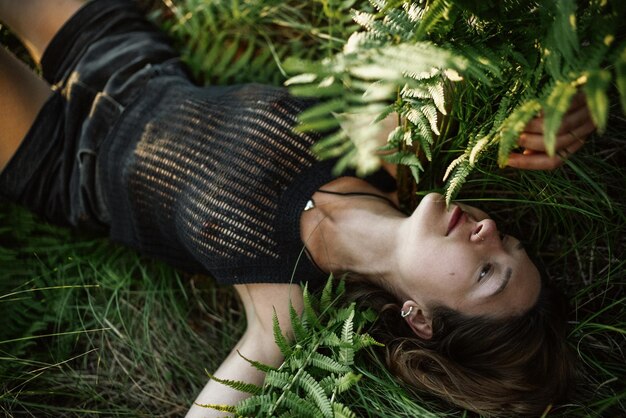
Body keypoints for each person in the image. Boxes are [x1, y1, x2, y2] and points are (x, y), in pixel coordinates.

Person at [0, 0, 596, 416]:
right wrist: (564, 96)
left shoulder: (284, 313)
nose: (490, 232)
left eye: (488, 273)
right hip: (127, 57)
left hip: (59, 162)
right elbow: (452, 33)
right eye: (508, 242)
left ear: (421, 319)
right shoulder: (387, 148)